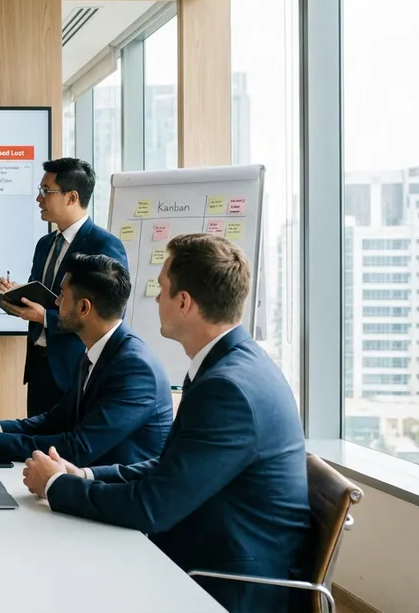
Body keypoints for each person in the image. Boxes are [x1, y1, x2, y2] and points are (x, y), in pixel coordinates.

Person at [22, 234, 309, 613]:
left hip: (228, 583)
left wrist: (57, 486)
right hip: (210, 548)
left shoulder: (227, 388)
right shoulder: (228, 364)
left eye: (162, 289)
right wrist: (84, 475)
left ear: (184, 302)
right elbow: (170, 467)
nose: (155, 299)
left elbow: (151, 507)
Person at [0, 254, 171, 467]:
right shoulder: (96, 351)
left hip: (116, 487)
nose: (56, 302)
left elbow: (78, 448)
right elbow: (55, 420)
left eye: (62, 295)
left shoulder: (134, 368)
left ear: (84, 307)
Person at [0, 158, 128, 417]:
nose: (39, 198)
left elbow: (109, 314)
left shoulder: (103, 245)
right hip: (39, 367)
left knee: (68, 440)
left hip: (75, 368)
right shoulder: (45, 244)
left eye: (46, 191)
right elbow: (44, 296)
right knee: (35, 437)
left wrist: (45, 317)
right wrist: (16, 295)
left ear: (72, 197)